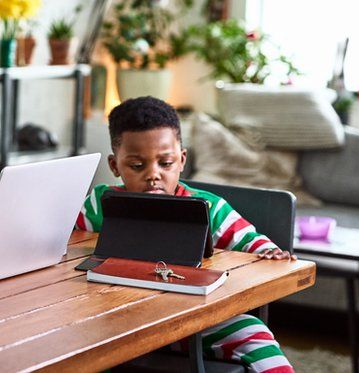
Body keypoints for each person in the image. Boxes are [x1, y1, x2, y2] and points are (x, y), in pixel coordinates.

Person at [78, 96, 295, 373]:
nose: (152, 175)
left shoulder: (209, 208)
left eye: (165, 163)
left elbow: (254, 247)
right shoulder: (99, 204)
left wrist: (269, 253)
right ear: (114, 165)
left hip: (189, 327)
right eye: (136, 166)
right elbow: (65, 246)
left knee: (252, 332)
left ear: (181, 160)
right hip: (112, 323)